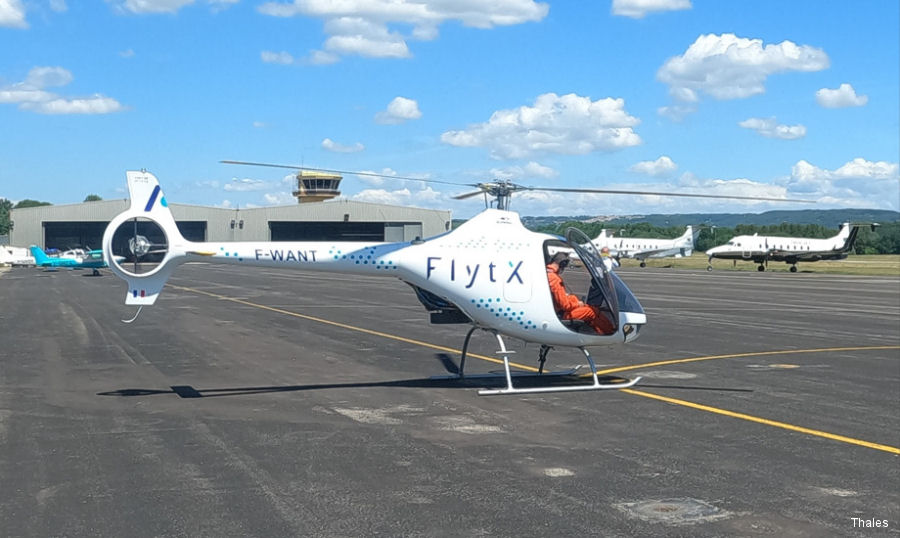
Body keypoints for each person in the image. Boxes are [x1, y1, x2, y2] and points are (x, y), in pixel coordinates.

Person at [545, 252, 615, 335]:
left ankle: (603, 329)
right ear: (562, 264)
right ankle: (609, 332)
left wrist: (573, 299)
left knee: (580, 302)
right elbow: (565, 305)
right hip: (561, 314)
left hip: (555, 311)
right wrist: (578, 304)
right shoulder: (554, 279)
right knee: (592, 312)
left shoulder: (547, 274)